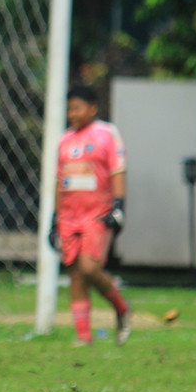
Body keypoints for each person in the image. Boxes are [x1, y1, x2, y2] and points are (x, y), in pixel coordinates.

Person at [50, 85, 131, 346]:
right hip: (69, 215)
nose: (72, 114)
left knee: (89, 267)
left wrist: (118, 206)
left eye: (77, 108)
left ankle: (121, 307)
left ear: (92, 108)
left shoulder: (106, 134)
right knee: (75, 273)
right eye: (69, 109)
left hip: (96, 213)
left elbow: (118, 170)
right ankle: (83, 336)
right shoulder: (64, 140)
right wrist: (55, 218)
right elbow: (59, 180)